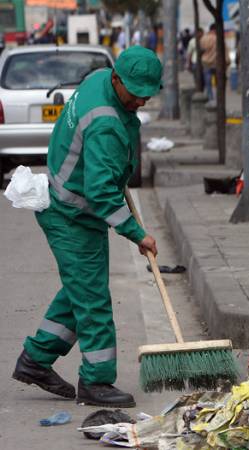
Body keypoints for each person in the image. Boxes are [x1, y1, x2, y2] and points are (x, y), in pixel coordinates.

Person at [12, 46, 162, 408]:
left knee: (81, 290)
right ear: (116, 79)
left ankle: (35, 359)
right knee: (93, 301)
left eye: (147, 92)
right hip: (72, 213)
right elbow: (101, 195)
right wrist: (137, 234)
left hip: (71, 206)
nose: (141, 99)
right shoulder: (107, 124)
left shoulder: (98, 81)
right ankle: (96, 382)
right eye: (136, 92)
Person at [200, 24, 223, 101]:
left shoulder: (203, 38)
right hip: (216, 62)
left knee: (208, 82)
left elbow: (201, 50)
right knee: (218, 81)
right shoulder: (218, 38)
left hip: (206, 62)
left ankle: (211, 98)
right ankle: (218, 97)